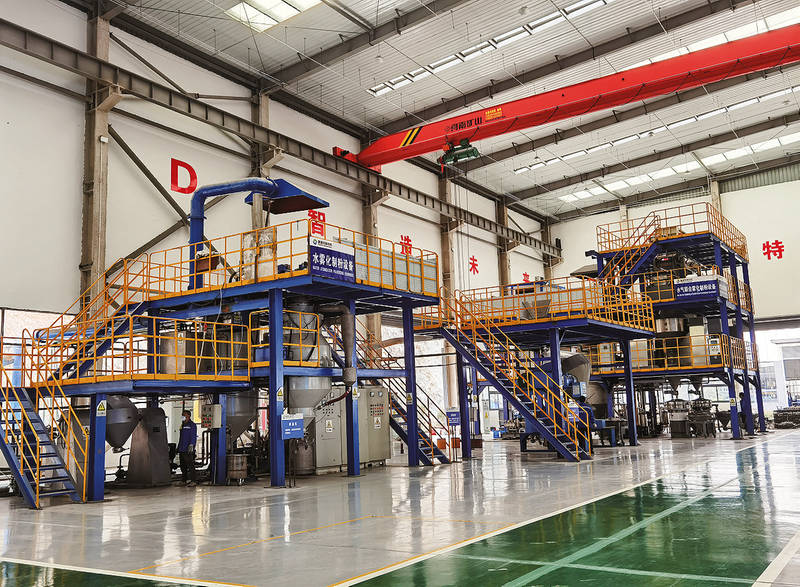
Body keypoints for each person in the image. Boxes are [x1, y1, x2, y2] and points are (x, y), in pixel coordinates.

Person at [177, 410, 198, 487]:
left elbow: (193, 435)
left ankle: (193, 481)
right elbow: (181, 437)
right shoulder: (183, 425)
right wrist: (178, 447)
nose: (182, 416)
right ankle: (184, 480)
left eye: (184, 415)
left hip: (188, 449)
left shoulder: (192, 425)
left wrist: (192, 445)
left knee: (190, 465)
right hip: (182, 448)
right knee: (183, 466)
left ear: (188, 416)